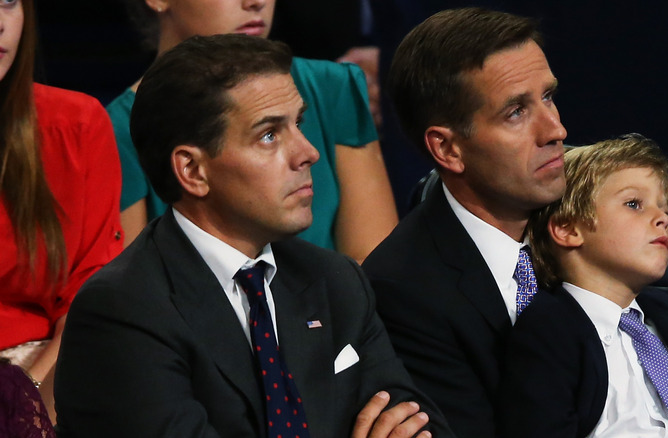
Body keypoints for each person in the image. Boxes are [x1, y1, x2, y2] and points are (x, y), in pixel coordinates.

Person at [54, 34, 453, 438]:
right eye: (269, 135)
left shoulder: (336, 281)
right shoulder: (125, 311)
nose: (309, 152)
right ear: (193, 171)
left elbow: (421, 424)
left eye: (298, 123)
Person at [362, 7, 567, 437]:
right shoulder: (402, 293)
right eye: (516, 112)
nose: (556, 130)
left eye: (547, 96)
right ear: (448, 150)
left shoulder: (599, 221)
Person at [496, 135, 668, 437]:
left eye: (665, 210)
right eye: (634, 204)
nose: (662, 217)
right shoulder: (549, 329)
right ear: (568, 229)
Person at [111, 0, 397, 264]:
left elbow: (374, 267)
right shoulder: (116, 128)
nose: (256, 2)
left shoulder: (331, 87)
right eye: (269, 134)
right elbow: (131, 293)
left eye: (299, 122)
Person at [0, 0, 123, 426]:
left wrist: (24, 402)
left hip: (40, 373)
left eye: (8, 2)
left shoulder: (76, 125)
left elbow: (90, 296)